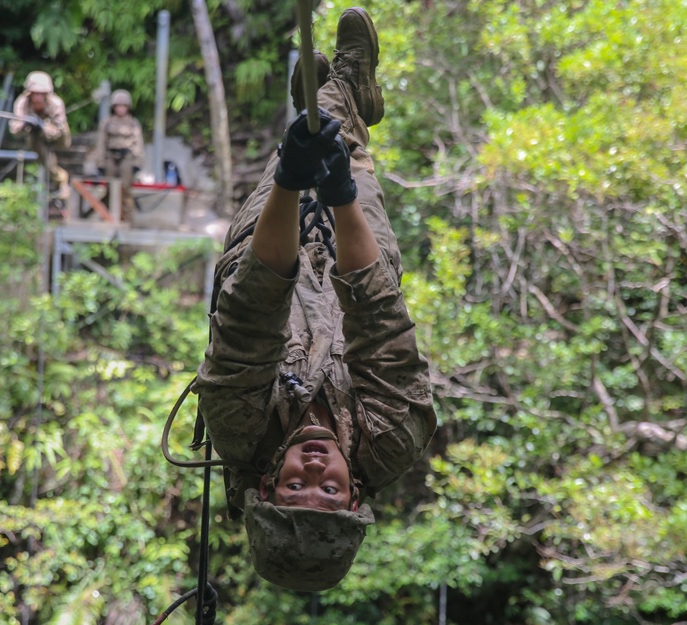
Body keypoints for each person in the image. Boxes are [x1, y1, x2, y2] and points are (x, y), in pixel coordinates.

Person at [194, 7, 436, 592]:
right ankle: (342, 95)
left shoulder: (239, 431)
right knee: (338, 145)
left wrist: (290, 180)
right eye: (327, 489)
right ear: (354, 494)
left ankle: (335, 99)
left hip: (264, 248)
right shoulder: (391, 443)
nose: (312, 469)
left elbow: (251, 308)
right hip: (358, 259)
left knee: (307, 141)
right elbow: (378, 316)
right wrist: (339, 194)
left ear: (265, 484)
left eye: (293, 487)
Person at [9, 71, 72, 200]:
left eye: (41, 94)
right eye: (35, 93)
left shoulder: (56, 103)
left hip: (56, 135)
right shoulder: (22, 103)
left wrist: (44, 125)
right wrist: (24, 123)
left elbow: (59, 129)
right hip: (35, 135)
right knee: (43, 157)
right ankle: (61, 180)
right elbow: (14, 129)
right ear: (29, 93)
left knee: (61, 137)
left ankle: (62, 181)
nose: (37, 97)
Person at [88, 89, 145, 223]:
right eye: (118, 106)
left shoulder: (133, 123)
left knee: (126, 190)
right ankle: (106, 218)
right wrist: (100, 163)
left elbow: (138, 144)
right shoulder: (107, 123)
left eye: (123, 106)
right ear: (114, 107)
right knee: (109, 189)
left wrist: (138, 162)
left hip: (127, 157)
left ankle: (127, 220)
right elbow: (101, 144)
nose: (121, 109)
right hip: (110, 157)